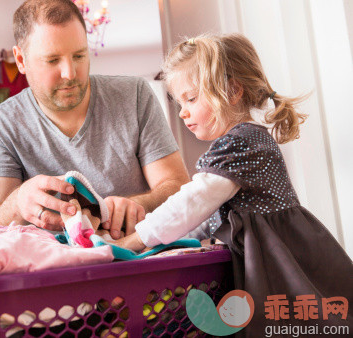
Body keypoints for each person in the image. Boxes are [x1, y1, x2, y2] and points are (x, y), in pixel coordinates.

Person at [113, 33, 353, 334]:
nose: (183, 112)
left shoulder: (243, 142)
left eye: (191, 98)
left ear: (232, 91)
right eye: (179, 103)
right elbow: (204, 215)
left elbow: (191, 203)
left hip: (277, 266)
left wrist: (134, 240)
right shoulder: (239, 144)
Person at [0, 0, 189, 239]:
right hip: (55, 268)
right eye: (52, 60)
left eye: (79, 55)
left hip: (142, 256)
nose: (70, 73)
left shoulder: (135, 95)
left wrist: (139, 204)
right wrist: (17, 202)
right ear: (21, 60)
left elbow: (178, 186)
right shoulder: (0, 124)